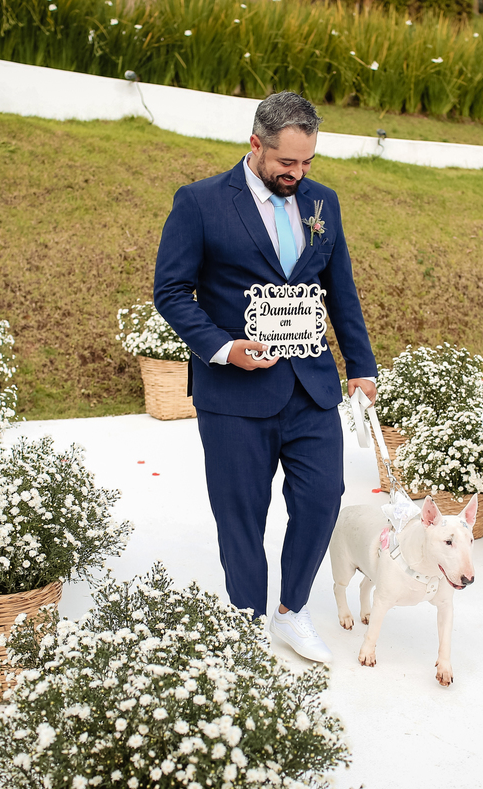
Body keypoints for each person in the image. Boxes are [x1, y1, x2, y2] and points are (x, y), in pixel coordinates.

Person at [153, 92, 377, 663]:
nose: (297, 176)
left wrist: (361, 366)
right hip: (234, 395)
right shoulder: (200, 202)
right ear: (256, 144)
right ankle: (247, 621)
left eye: (307, 164)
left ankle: (291, 611)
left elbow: (340, 291)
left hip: (312, 388)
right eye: (286, 164)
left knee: (324, 497)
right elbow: (172, 291)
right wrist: (224, 348)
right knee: (241, 514)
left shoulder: (322, 201)